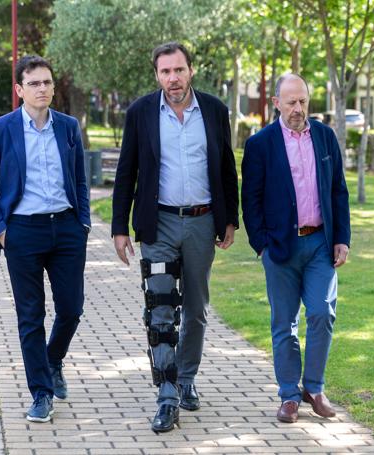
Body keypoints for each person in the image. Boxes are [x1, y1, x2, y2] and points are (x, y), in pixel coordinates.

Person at [111, 42, 239, 433]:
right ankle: (166, 397)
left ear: (191, 71)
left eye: (179, 70)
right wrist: (119, 227)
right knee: (161, 309)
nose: (173, 79)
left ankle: (186, 380)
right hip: (159, 224)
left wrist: (229, 219)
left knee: (196, 311)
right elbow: (126, 172)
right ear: (157, 75)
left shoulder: (214, 111)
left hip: (202, 223)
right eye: (165, 72)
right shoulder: (141, 113)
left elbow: (226, 166)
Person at [0, 55, 90, 423]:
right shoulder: (0, 130)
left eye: (47, 82)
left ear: (54, 87)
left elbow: (81, 182)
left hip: (67, 229)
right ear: (19, 89)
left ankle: (52, 360)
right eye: (34, 83)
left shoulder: (68, 127)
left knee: (71, 308)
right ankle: (41, 393)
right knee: (31, 316)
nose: (42, 89)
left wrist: (83, 224)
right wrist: (3, 231)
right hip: (22, 232)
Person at [241, 74, 351, 424]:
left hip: (320, 242)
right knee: (284, 323)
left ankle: (314, 388)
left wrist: (341, 238)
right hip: (280, 248)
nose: (298, 109)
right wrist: (261, 246)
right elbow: (251, 200)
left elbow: (338, 191)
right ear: (276, 103)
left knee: (322, 312)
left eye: (302, 101)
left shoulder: (324, 136)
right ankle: (289, 395)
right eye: (290, 102)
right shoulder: (260, 144)